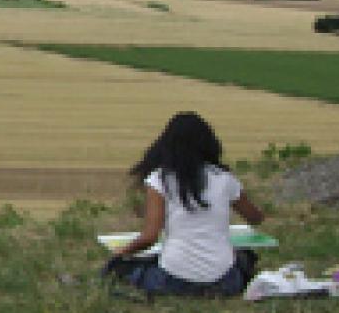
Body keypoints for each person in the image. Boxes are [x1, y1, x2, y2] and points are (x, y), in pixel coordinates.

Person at [107, 111, 265, 296]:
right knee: (245, 257)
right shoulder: (224, 178)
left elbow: (149, 238)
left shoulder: (160, 179)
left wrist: (121, 252)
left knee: (130, 270)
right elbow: (255, 218)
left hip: (173, 280)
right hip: (225, 282)